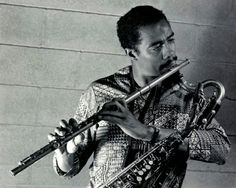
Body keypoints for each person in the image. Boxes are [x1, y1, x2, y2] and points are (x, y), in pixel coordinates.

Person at [48, 5, 230, 188]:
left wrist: (147, 133)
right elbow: (68, 170)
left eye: (171, 40)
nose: (170, 52)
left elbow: (221, 149)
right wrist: (66, 151)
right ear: (132, 53)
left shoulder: (188, 98)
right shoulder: (100, 92)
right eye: (157, 46)